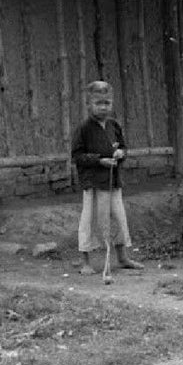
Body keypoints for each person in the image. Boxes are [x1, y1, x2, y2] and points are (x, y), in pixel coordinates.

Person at [70, 81, 143, 275]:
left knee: (119, 218)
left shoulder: (114, 126)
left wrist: (120, 153)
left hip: (113, 182)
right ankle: (85, 261)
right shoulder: (83, 129)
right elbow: (76, 156)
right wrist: (99, 160)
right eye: (98, 103)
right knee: (91, 220)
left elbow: (124, 148)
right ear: (88, 104)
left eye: (107, 103)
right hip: (94, 184)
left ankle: (123, 257)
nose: (103, 107)